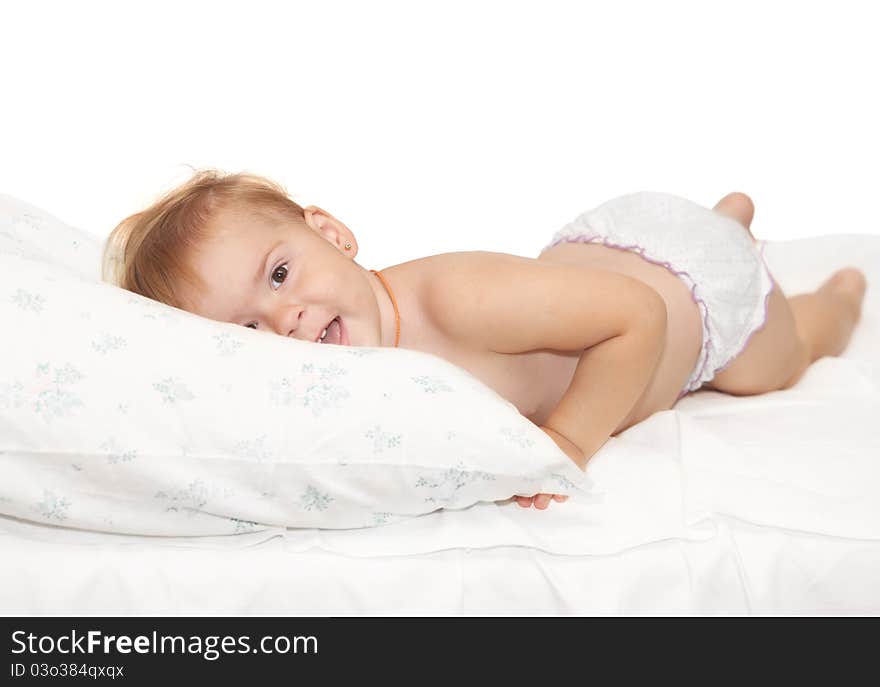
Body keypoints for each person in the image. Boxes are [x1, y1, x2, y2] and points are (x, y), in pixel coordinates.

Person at [102, 169, 868, 510]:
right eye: (246, 330)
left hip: (689, 295)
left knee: (776, 361)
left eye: (278, 274)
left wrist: (566, 438)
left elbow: (638, 315)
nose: (286, 320)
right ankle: (727, 210)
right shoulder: (338, 375)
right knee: (704, 232)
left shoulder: (453, 298)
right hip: (608, 265)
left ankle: (828, 294)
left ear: (331, 233)